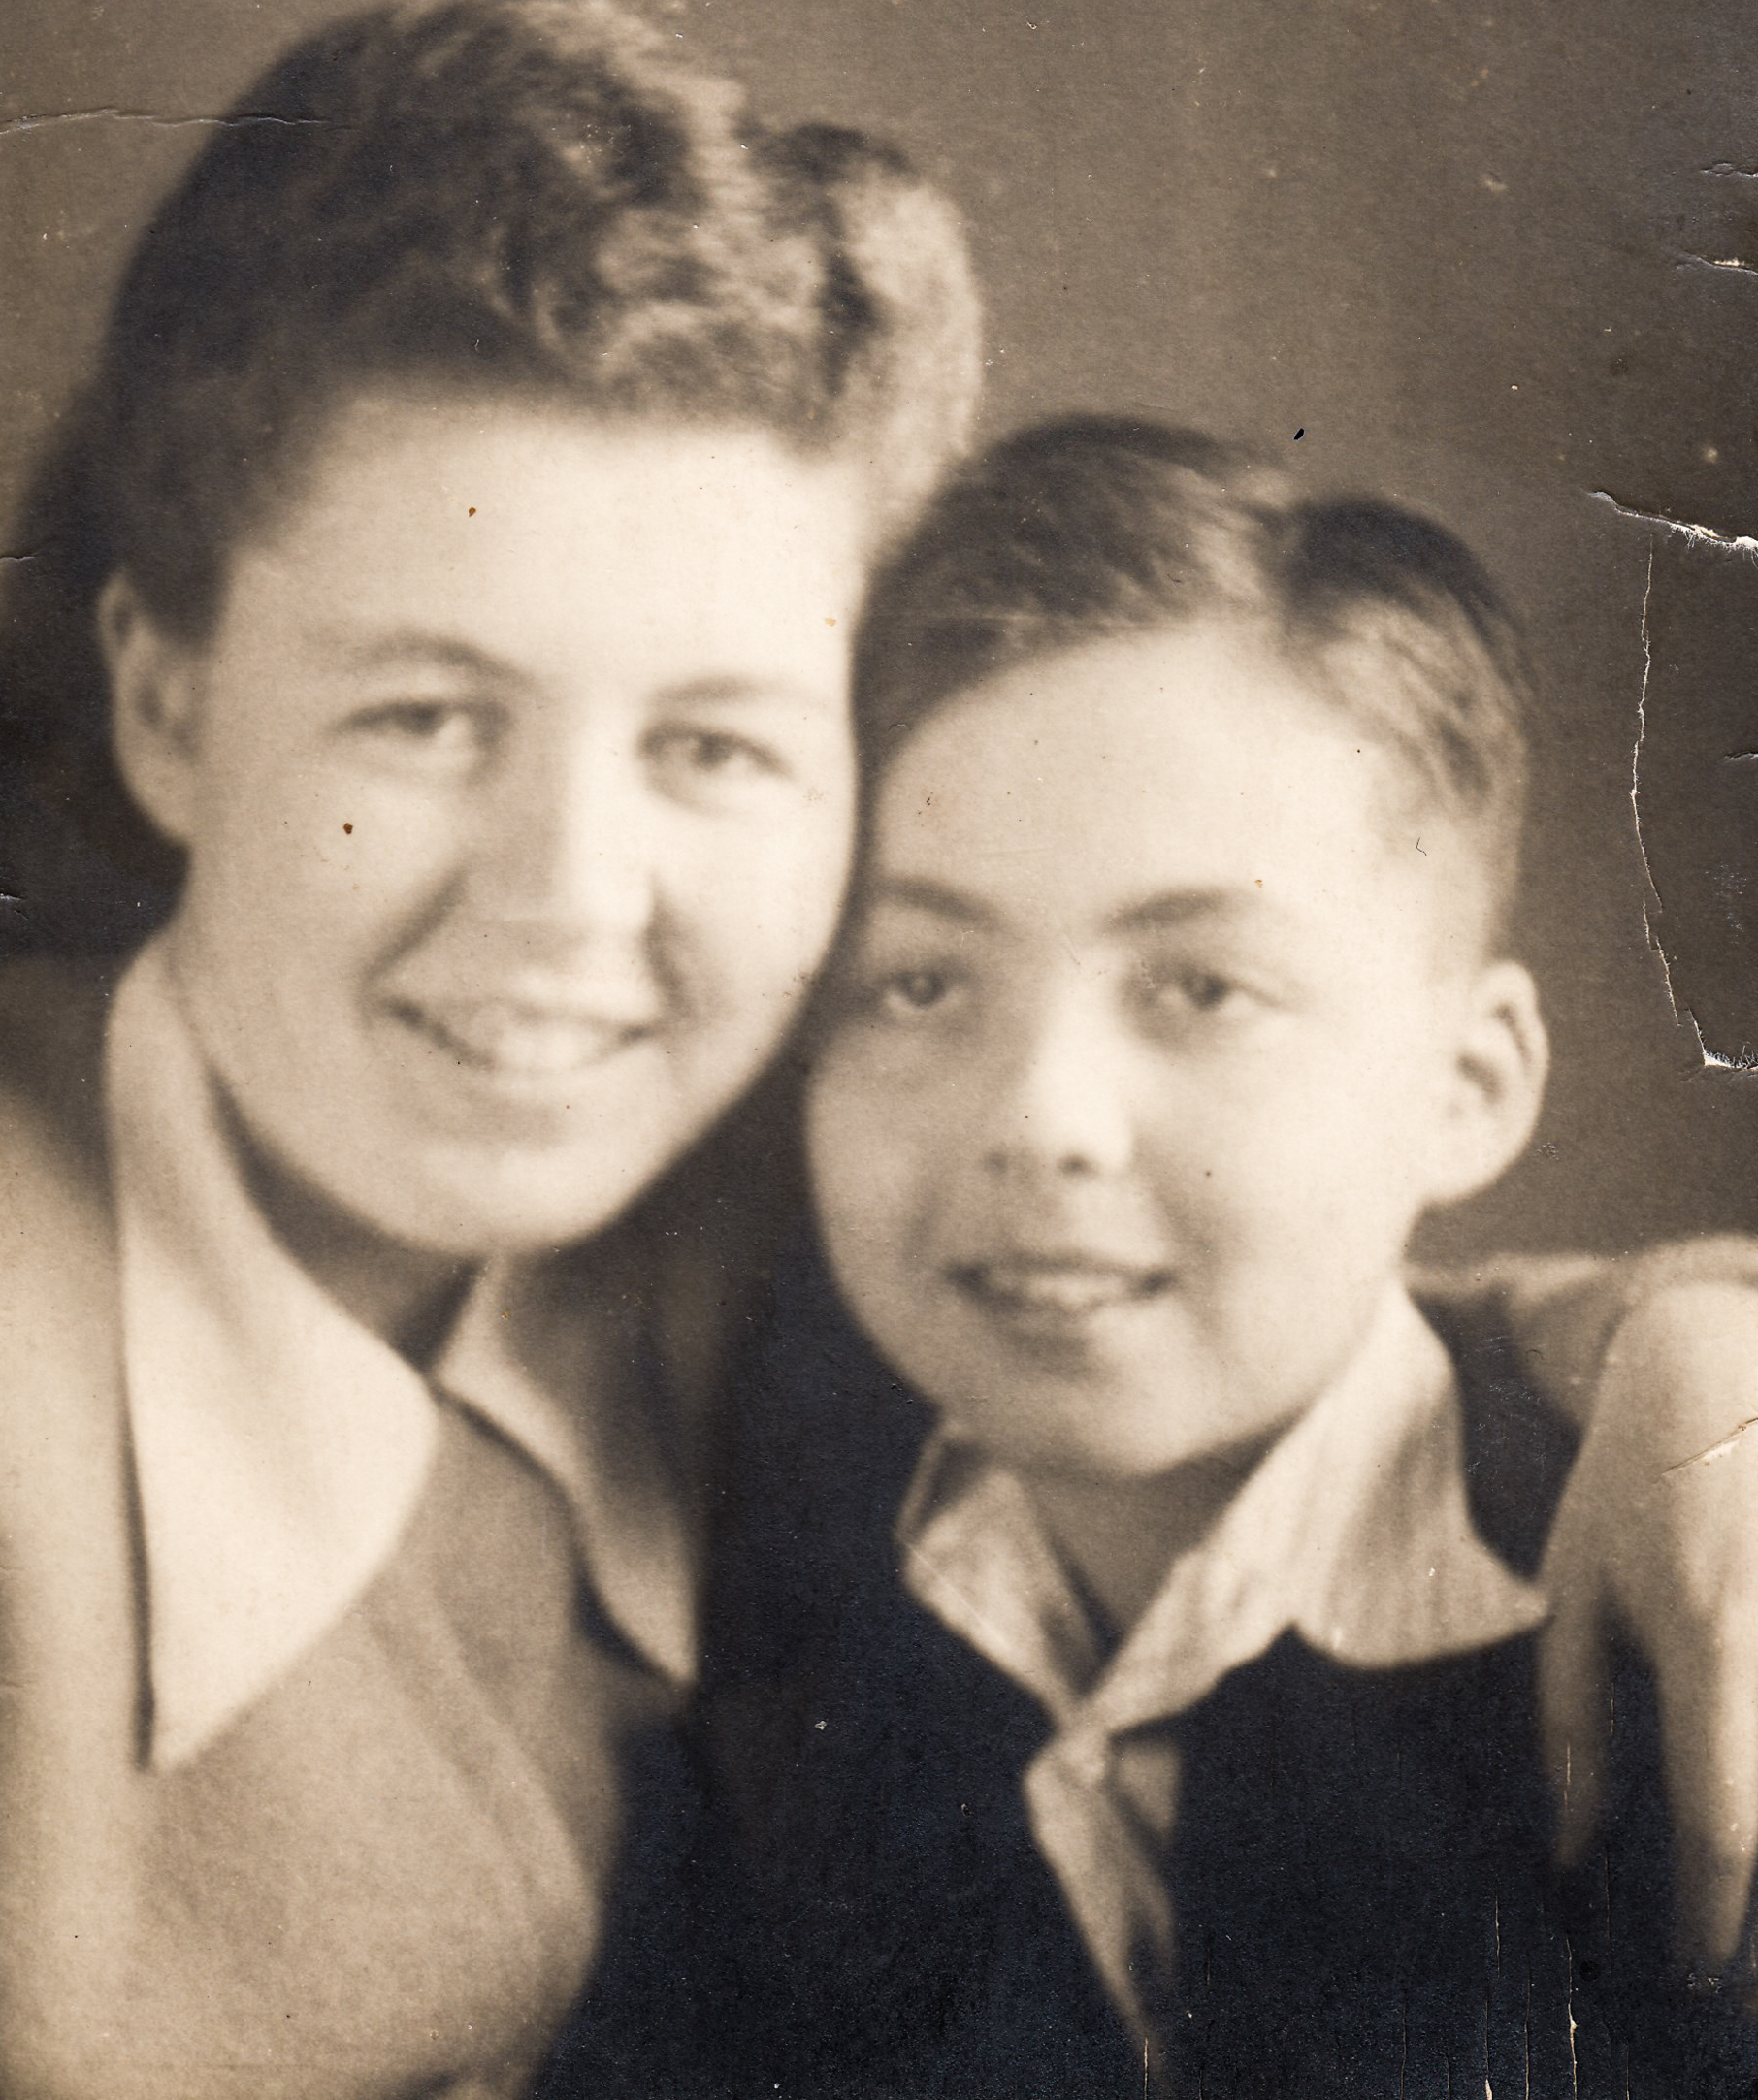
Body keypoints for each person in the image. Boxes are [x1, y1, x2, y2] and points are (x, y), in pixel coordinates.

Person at [0, 0, 982, 2098]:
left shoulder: (774, 1211)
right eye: (427, 718)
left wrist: (1650, 1362)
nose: (569, 895)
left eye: (716, 747)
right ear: (167, 708)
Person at [674, 420, 1758, 2095]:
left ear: (1469, 1088)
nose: (1042, 1122)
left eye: (1203, 988)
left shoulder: (1693, 1627)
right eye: (918, 983)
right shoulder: (781, 1559)